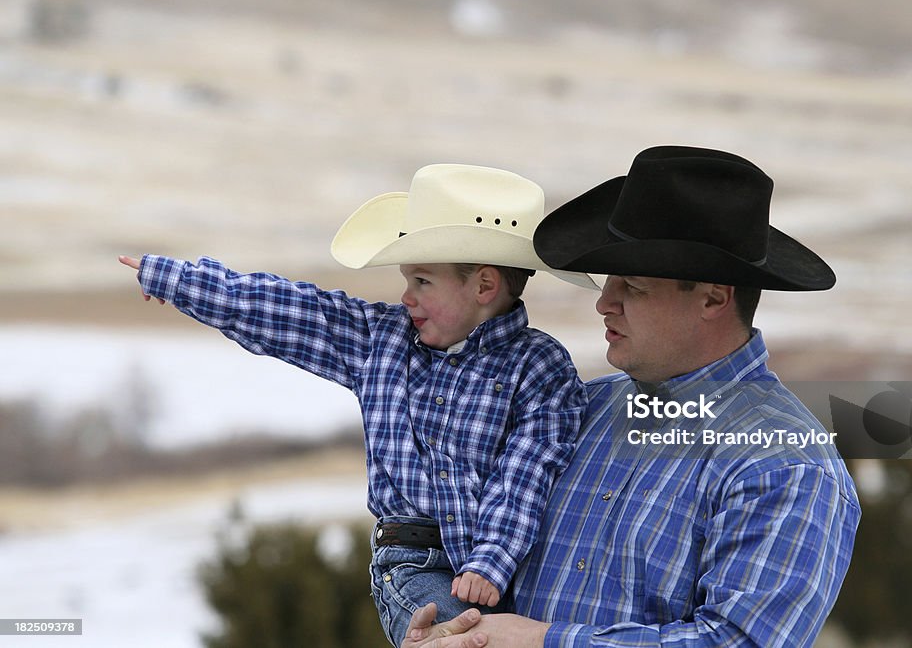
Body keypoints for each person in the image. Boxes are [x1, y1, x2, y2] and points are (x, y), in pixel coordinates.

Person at [400, 146, 861, 648]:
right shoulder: (573, 411)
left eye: (633, 286)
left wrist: (546, 642)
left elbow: (737, 642)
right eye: (608, 279)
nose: (604, 301)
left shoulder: (785, 466)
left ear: (713, 297)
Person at [119, 163, 594, 646]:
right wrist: (180, 281)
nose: (406, 297)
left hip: (509, 564)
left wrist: (492, 558)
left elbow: (529, 469)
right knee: (469, 641)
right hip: (414, 565)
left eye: (423, 281)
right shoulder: (381, 339)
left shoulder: (540, 366)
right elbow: (290, 312)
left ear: (484, 286)